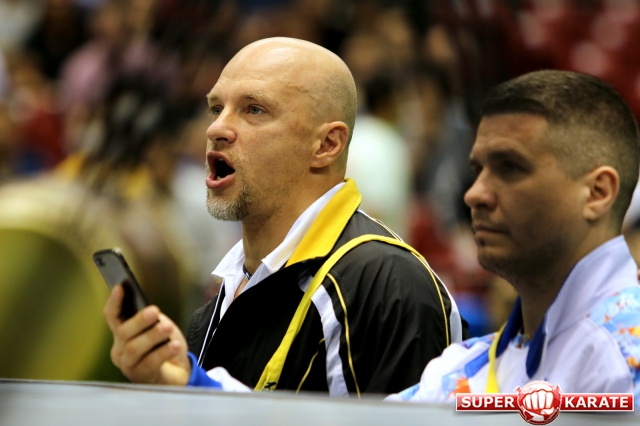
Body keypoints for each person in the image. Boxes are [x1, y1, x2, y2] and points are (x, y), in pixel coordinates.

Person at [104, 37, 466, 396]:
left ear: (327, 145)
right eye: (216, 109)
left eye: (254, 110)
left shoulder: (388, 285)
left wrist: (198, 388)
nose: (215, 129)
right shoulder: (216, 307)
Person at [390, 70, 640, 404]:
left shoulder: (626, 355)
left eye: (510, 167)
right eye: (478, 170)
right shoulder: (458, 369)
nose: (474, 194)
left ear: (597, 192)